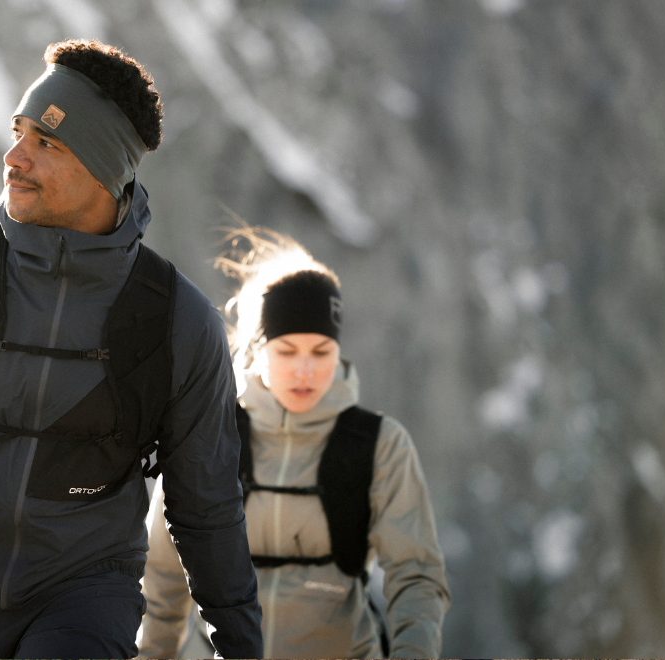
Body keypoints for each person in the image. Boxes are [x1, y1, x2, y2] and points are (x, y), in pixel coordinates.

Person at [0, 40, 262, 660]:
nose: (14, 157)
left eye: (47, 143)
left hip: (85, 601)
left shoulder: (176, 322)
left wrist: (244, 649)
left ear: (102, 169)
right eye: (19, 132)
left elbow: (207, 509)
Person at [137, 228, 450, 659]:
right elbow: (163, 581)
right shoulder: (208, 436)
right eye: (287, 352)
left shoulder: (381, 445)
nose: (306, 371)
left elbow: (416, 576)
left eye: (322, 352)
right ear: (257, 348)